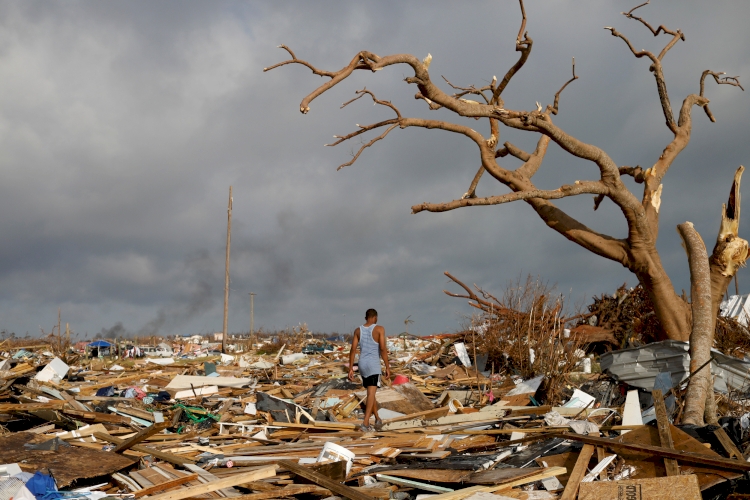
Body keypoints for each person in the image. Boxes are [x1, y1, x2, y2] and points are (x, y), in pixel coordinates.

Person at [348, 308, 391, 432]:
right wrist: (387, 366)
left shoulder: (358, 330)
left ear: (365, 317)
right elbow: (382, 348)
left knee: (370, 392)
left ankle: (377, 419)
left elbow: (353, 350)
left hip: (362, 364)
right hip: (373, 364)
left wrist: (351, 368)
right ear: (375, 317)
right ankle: (366, 423)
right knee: (371, 393)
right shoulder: (379, 329)